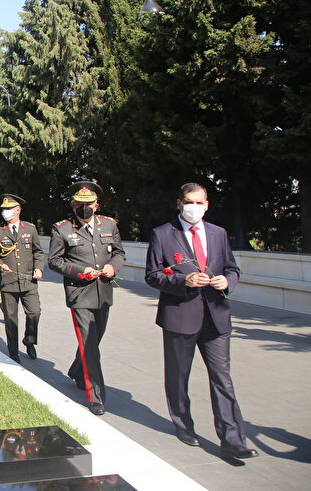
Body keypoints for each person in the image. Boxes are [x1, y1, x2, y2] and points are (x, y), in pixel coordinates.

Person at [144, 182, 257, 459]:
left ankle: (233, 439)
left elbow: (232, 268)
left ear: (207, 205)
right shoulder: (162, 234)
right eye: (189, 202)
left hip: (216, 317)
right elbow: (152, 275)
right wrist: (185, 280)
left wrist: (226, 281)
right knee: (178, 376)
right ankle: (183, 423)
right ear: (179, 203)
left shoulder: (218, 233)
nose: (194, 207)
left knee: (222, 378)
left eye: (200, 202)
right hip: (180, 316)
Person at [48, 181, 125, 416]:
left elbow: (119, 253)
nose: (84, 208)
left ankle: (76, 370)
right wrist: (79, 272)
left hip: (103, 291)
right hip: (79, 293)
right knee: (90, 344)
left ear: (97, 205)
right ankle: (96, 397)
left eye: (89, 204)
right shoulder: (62, 229)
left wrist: (113, 267)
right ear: (73, 205)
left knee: (95, 338)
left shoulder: (109, 225)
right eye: (79, 204)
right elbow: (55, 261)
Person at [0, 194, 45, 362]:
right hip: (7, 280)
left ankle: (29, 340)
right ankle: (13, 351)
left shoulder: (30, 228)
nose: (5, 212)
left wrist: (39, 268)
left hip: (28, 279)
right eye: (3, 209)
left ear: (18, 210)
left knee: (34, 312)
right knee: (11, 318)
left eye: (8, 209)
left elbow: (38, 252)